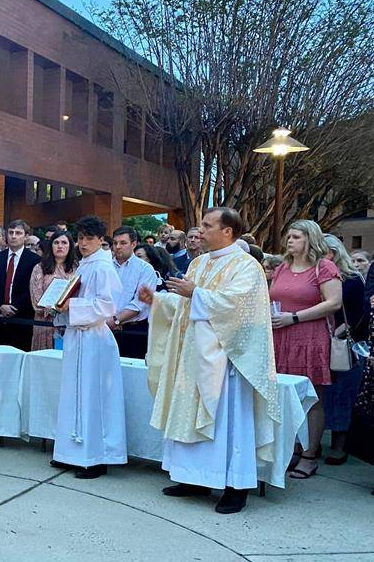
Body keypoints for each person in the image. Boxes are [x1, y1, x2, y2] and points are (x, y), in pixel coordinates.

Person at [142, 208, 280, 514]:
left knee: (227, 423)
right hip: (194, 357)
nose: (200, 231)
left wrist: (197, 293)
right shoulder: (199, 262)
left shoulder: (247, 267)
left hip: (227, 360)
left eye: (207, 225)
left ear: (228, 231)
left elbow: (239, 308)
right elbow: (184, 304)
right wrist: (159, 301)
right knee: (192, 418)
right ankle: (195, 478)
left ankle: (236, 486)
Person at [51, 216, 126, 479]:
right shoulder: (85, 265)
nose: (82, 243)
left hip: (94, 338)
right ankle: (71, 452)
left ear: (100, 240)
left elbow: (108, 305)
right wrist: (60, 305)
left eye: (88, 238)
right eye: (80, 238)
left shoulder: (103, 267)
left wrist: (73, 306)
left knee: (93, 397)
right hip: (78, 336)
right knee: (74, 395)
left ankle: (96, 458)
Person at [269, 220, 342, 481]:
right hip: (280, 336)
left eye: (296, 236)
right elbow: (272, 298)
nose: (290, 241)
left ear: (310, 239)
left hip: (309, 337)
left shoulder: (324, 266)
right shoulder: (283, 267)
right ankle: (294, 449)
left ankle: (310, 456)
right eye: (288, 236)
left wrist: (295, 317)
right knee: (286, 396)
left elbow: (334, 302)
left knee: (312, 397)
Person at [321, 234, 367, 464]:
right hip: (321, 339)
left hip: (343, 343)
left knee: (343, 392)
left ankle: (340, 443)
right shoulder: (317, 275)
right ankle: (316, 439)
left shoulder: (352, 278)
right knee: (324, 392)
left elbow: (360, 312)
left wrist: (342, 330)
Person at [0, 220, 40, 351]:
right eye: (11, 233)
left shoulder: (34, 260)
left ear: (26, 236)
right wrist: (0, 305)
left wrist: (15, 307)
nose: (14, 236)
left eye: (18, 233)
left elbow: (31, 288)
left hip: (22, 318)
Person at [109, 226, 158, 359]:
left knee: (132, 373)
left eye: (123, 243)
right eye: (115, 243)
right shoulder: (105, 265)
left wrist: (116, 320)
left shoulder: (145, 269)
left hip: (134, 330)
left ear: (133, 244)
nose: (118, 247)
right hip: (105, 328)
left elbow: (140, 303)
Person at [30, 230, 79, 351]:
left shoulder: (77, 268)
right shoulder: (39, 268)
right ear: (51, 246)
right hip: (44, 322)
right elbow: (36, 299)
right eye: (56, 242)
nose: (60, 246)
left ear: (70, 246)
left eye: (64, 242)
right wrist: (51, 309)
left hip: (69, 321)